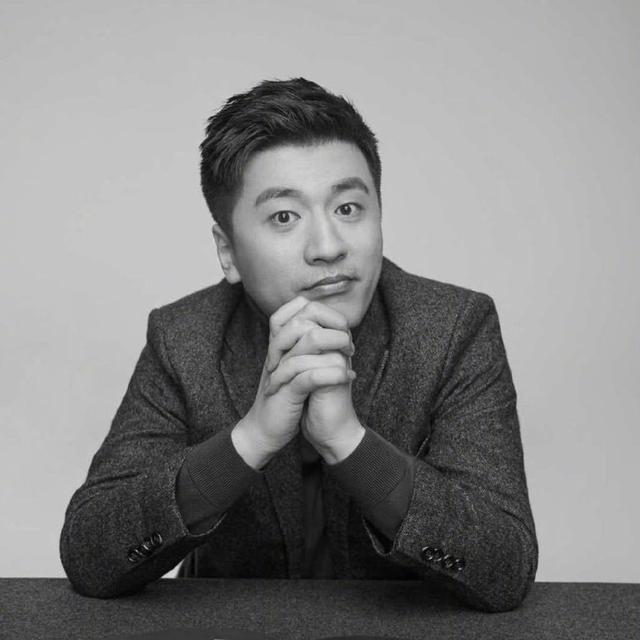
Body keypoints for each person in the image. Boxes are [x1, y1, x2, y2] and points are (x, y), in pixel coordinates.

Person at [60, 77, 538, 612]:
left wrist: (350, 444)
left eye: (348, 208)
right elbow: (91, 555)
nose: (328, 247)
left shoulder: (454, 328)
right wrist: (251, 439)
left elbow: (505, 568)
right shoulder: (184, 338)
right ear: (228, 252)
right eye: (284, 217)